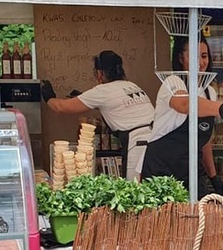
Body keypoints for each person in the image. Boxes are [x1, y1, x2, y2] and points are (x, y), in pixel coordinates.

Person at [141, 36, 223, 198]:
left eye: (204, 56)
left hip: (191, 173)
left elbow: (204, 140)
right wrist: (220, 108)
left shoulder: (210, 92)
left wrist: (213, 176)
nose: (201, 62)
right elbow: (184, 104)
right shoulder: (173, 82)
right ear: (181, 58)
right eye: (195, 56)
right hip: (161, 171)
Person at [40, 50, 154, 181]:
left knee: (135, 188)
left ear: (100, 73)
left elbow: (61, 107)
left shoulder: (102, 91)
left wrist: (49, 97)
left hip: (137, 143)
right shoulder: (132, 86)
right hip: (156, 138)